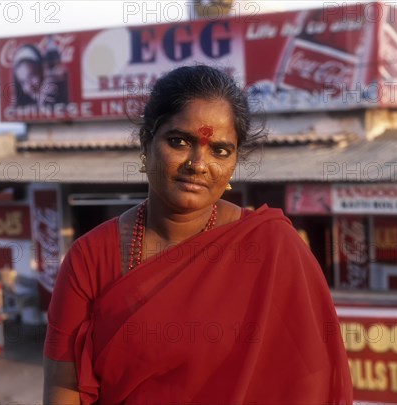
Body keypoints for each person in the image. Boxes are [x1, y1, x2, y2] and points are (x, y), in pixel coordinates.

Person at [43, 65, 353, 404]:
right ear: (147, 142)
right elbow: (64, 388)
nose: (198, 163)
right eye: (179, 141)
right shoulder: (89, 258)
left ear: (234, 161)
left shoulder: (273, 247)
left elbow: (311, 379)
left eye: (220, 150)